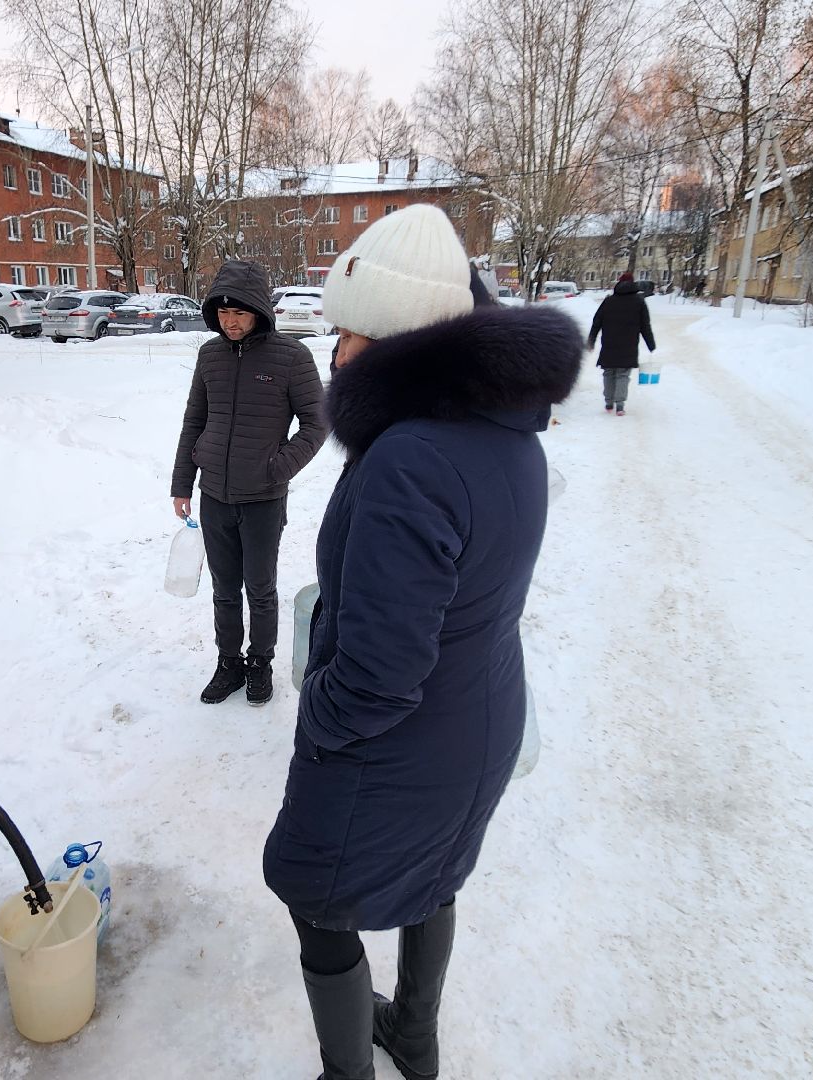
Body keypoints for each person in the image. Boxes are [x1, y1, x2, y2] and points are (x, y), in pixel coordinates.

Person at [262, 204, 582, 1080]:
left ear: (393, 336)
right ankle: (414, 1034)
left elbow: (380, 672)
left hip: (403, 738)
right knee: (431, 877)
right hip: (476, 716)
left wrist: (318, 724)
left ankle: (350, 1071)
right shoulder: (502, 426)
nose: (333, 354)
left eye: (347, 332)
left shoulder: (411, 455)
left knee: (315, 896)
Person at [171, 259, 327, 706]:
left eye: (238, 312)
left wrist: (276, 469)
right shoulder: (210, 355)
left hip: (262, 499)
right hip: (213, 496)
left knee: (260, 589)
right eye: (222, 314)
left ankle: (260, 663)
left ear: (258, 309)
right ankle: (228, 664)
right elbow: (194, 421)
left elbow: (316, 424)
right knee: (223, 590)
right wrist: (183, 481)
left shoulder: (291, 356)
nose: (230, 322)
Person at [587, 270, 656, 415]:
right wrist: (651, 344)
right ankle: (620, 405)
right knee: (623, 374)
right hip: (629, 345)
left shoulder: (609, 301)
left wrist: (591, 340)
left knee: (608, 372)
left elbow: (596, 322)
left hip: (609, 344)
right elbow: (645, 325)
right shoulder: (639, 302)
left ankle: (608, 403)